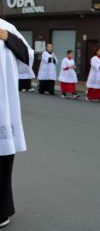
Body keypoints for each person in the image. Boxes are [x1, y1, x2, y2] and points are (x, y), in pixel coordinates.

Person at [0, 18, 33, 228]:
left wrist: (8, 38)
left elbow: (28, 57)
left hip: (2, 105)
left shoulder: (7, 27)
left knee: (1, 160)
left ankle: (1, 210)